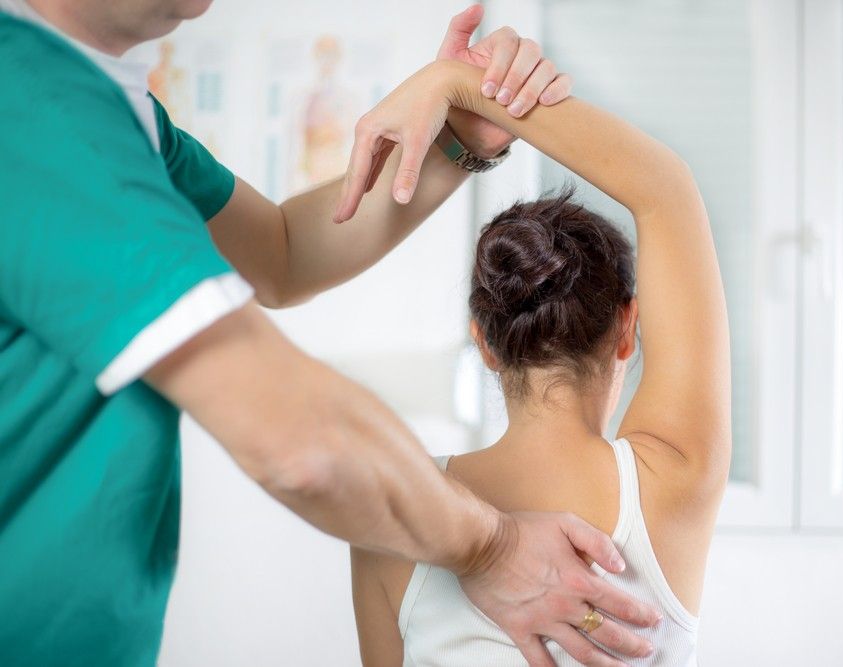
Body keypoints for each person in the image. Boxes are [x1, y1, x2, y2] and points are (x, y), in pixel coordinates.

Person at [0, 2, 663, 665]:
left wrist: (459, 133)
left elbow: (282, 252)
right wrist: (494, 548)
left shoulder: (122, 117)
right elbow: (298, 440)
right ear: (627, 327)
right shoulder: (32, 108)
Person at [347, 59, 731, 665]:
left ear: (485, 344)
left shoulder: (396, 521)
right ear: (627, 327)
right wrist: (462, 86)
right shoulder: (674, 478)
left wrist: (461, 85)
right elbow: (666, 188)